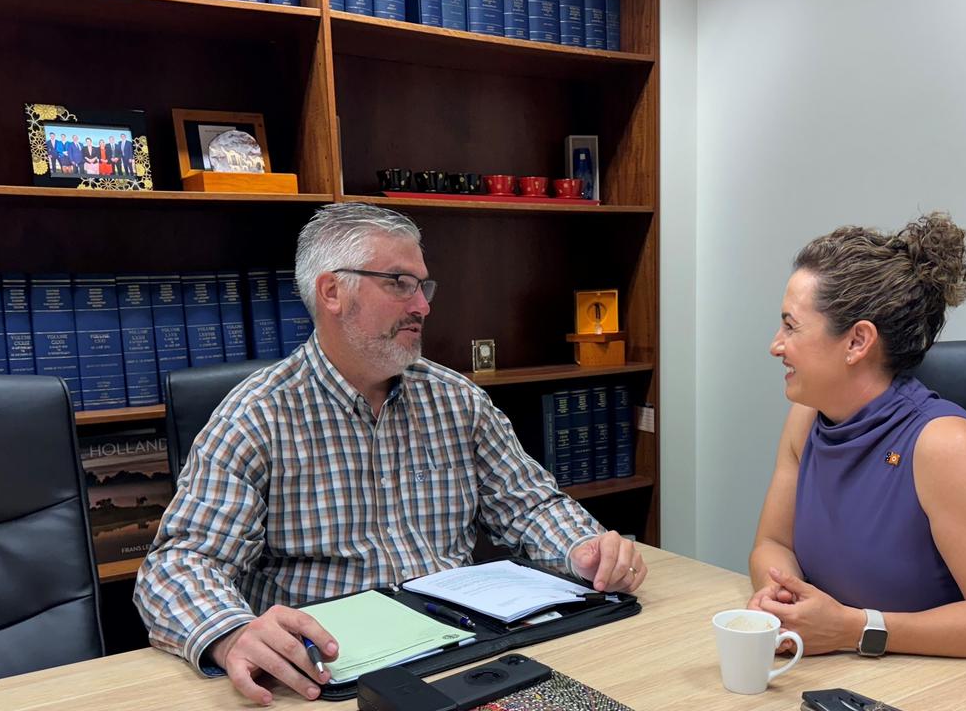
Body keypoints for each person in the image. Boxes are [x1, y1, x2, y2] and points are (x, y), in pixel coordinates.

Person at [134, 203, 647, 706]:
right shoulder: (257, 416)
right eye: (399, 283)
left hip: (467, 656)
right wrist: (232, 634)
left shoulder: (455, 399)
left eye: (423, 286)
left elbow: (530, 507)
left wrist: (583, 547)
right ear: (332, 291)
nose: (422, 305)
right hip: (331, 678)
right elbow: (178, 564)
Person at [747, 212, 966, 664]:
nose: (776, 345)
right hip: (854, 673)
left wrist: (853, 629)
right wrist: (781, 600)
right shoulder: (805, 418)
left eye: (791, 326)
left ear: (857, 341)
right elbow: (773, 544)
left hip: (965, 688)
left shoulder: (945, 445)